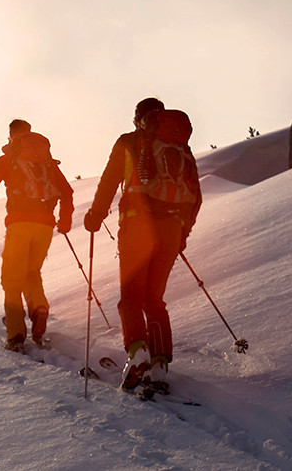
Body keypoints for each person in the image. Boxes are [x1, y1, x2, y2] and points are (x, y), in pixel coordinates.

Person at [83, 98, 202, 392]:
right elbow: (195, 196)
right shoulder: (181, 148)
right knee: (154, 299)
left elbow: (110, 182)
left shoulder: (129, 141)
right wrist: (182, 234)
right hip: (172, 229)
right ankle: (160, 365)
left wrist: (95, 216)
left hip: (137, 225)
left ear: (138, 119)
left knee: (131, 297)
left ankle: (137, 353)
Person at [0, 120, 74, 351]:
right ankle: (39, 308)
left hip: (19, 222)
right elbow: (67, 191)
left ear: (11, 136)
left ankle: (15, 335)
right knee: (31, 272)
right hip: (45, 224)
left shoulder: (10, 157)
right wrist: (64, 221)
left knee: (12, 279)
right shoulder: (47, 161)